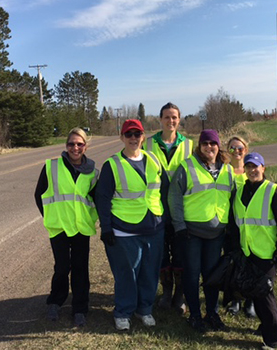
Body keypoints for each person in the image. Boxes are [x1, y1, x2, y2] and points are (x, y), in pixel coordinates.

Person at [95, 119, 168, 331]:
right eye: (129, 135)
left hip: (154, 227)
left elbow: (163, 191)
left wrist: (166, 219)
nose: (133, 138)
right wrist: (106, 228)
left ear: (143, 137)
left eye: (137, 134)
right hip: (124, 230)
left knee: (150, 272)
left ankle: (144, 309)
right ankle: (123, 312)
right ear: (122, 138)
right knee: (127, 274)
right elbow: (103, 198)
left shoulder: (153, 159)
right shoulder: (112, 164)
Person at [168, 129, 234, 333]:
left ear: (218, 146)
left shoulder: (227, 170)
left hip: (216, 234)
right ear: (199, 146)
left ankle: (212, 313)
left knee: (212, 275)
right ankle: (195, 315)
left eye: (213, 144)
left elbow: (232, 200)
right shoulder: (187, 167)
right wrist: (179, 226)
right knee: (192, 274)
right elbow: (174, 197)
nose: (209, 147)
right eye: (205, 143)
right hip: (191, 233)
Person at [34, 127, 98, 327]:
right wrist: (51, 216)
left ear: (86, 146)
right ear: (66, 146)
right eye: (71, 144)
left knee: (80, 269)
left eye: (80, 144)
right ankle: (55, 301)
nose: (75, 148)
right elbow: (39, 195)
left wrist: (92, 219)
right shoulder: (52, 167)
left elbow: (97, 200)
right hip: (59, 227)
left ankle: (80, 308)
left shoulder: (93, 173)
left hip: (81, 228)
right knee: (62, 267)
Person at [231, 152, 277, 350]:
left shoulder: (274, 191)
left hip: (268, 252)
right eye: (248, 167)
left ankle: (271, 341)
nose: (252, 170)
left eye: (256, 166)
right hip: (248, 251)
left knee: (265, 295)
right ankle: (265, 326)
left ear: (263, 168)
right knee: (256, 293)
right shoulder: (240, 192)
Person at [143, 102, 193, 314]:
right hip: (158, 209)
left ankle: (180, 296)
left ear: (179, 120)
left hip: (183, 209)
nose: (170, 121)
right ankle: (166, 292)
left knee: (181, 254)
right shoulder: (148, 144)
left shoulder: (189, 145)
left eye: (174, 117)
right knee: (161, 254)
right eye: (167, 117)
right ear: (160, 119)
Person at [225, 136, 256, 318]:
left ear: (246, 149)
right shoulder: (224, 171)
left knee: (251, 263)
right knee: (234, 263)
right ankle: (235, 299)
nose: (236, 151)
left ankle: (250, 300)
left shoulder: (251, 171)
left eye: (240, 148)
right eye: (232, 148)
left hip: (251, 226)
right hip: (230, 225)